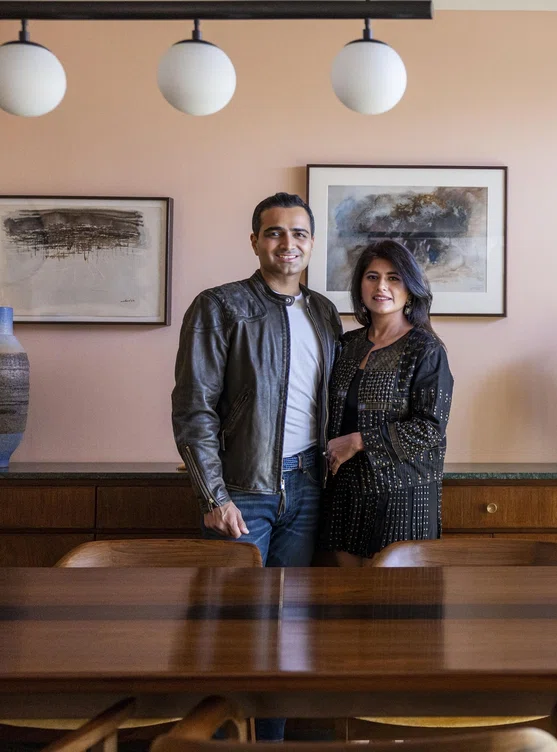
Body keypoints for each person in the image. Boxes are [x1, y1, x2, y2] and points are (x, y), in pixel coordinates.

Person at [171, 193, 341, 740]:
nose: (287, 244)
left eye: (298, 234)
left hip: (308, 489)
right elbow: (193, 408)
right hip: (243, 492)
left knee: (287, 629)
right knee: (231, 628)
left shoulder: (324, 312)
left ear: (312, 244)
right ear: (254, 241)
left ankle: (269, 741)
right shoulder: (219, 306)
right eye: (274, 233)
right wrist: (213, 495)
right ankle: (220, 741)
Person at [323, 239, 454, 566]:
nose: (381, 286)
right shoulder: (347, 345)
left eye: (393, 278)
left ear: (410, 289)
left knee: (395, 605)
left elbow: (430, 427)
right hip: (345, 494)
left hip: (402, 495)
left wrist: (358, 441)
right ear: (360, 286)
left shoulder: (426, 350)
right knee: (344, 603)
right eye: (372, 277)